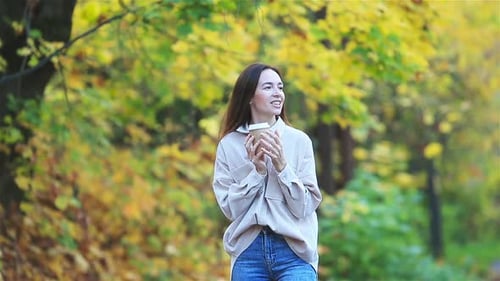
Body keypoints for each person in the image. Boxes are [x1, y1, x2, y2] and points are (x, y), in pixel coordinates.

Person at [212, 63, 323, 281]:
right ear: (249, 96)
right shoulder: (229, 145)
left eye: (280, 87)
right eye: (268, 87)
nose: (278, 94)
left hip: (295, 251)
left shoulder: (298, 141)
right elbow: (230, 209)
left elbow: (305, 207)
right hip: (248, 252)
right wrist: (258, 172)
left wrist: (282, 166)